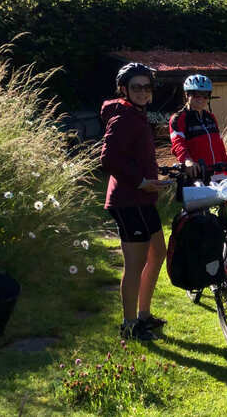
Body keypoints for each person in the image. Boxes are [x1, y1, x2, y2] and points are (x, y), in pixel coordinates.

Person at [100, 62, 172, 341]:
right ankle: (129, 325)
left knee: (158, 253)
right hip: (129, 202)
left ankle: (144, 315)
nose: (142, 91)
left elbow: (135, 157)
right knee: (135, 264)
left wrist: (156, 175)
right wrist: (141, 182)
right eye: (136, 87)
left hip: (143, 200)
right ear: (124, 89)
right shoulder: (124, 118)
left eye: (146, 87)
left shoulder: (137, 115)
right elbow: (108, 159)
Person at [168, 74, 227, 181]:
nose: (201, 99)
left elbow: (220, 146)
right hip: (197, 176)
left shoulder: (211, 117)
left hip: (218, 174)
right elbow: (178, 144)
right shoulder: (179, 118)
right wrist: (187, 160)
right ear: (187, 95)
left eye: (205, 95)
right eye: (196, 95)